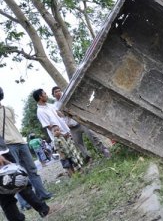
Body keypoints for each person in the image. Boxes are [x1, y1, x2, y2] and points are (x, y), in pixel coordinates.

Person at [0, 87, 58, 220]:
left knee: (19, 181)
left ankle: (43, 208)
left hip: (6, 150)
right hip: (3, 151)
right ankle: (36, 209)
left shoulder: (7, 109)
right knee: (6, 193)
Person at [51, 86, 111, 160]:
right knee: (78, 144)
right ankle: (88, 158)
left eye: (59, 90)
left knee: (93, 136)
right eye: (56, 92)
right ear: (53, 95)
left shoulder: (67, 98)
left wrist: (67, 112)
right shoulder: (54, 106)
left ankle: (104, 151)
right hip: (71, 127)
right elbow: (61, 115)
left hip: (80, 121)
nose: (58, 92)